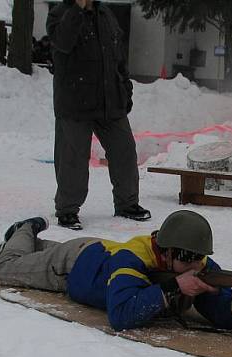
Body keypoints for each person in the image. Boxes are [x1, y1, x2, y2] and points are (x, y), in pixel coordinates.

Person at [0, 210, 232, 331]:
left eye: (200, 258)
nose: (196, 265)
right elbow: (120, 315)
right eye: (186, 257)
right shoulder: (132, 259)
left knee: (38, 252)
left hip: (99, 251)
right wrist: (174, 288)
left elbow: (222, 317)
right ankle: (26, 229)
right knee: (5, 269)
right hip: (73, 264)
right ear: (167, 252)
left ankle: (31, 244)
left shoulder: (200, 266)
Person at [47, 0, 150, 230]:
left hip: (110, 102)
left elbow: (118, 57)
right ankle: (67, 210)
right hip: (75, 103)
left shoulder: (106, 15)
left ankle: (127, 203)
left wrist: (125, 89)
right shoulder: (60, 14)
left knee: (124, 149)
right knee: (72, 159)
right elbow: (63, 43)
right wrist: (77, 9)